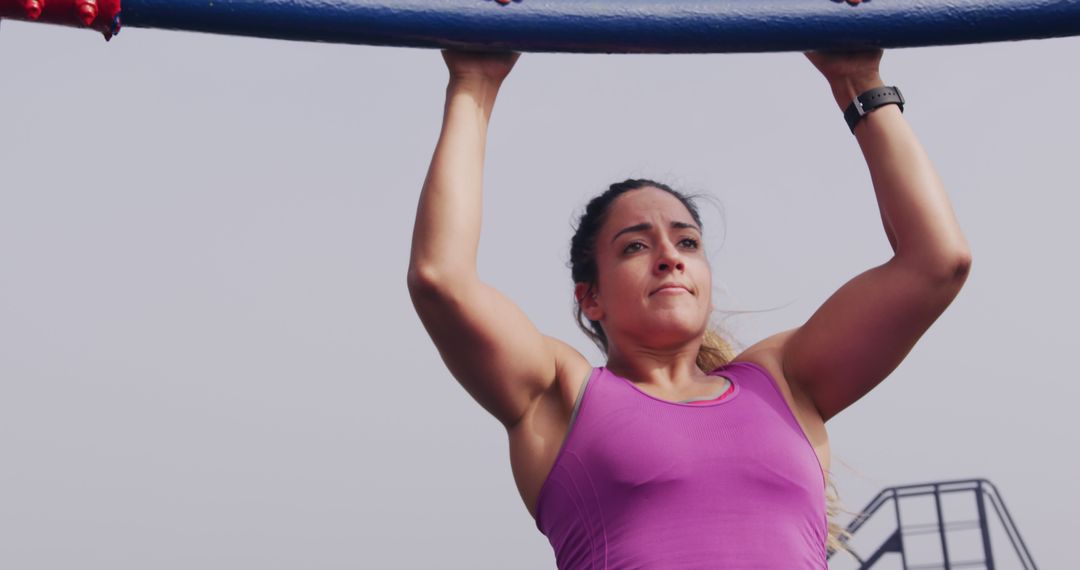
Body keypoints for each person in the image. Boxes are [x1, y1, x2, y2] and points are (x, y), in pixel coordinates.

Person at [406, 48, 971, 568]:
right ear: (590, 297)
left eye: (687, 241)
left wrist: (858, 80)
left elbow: (936, 261)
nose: (669, 257)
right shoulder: (560, 397)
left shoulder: (784, 381)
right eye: (634, 245)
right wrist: (474, 81)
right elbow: (441, 279)